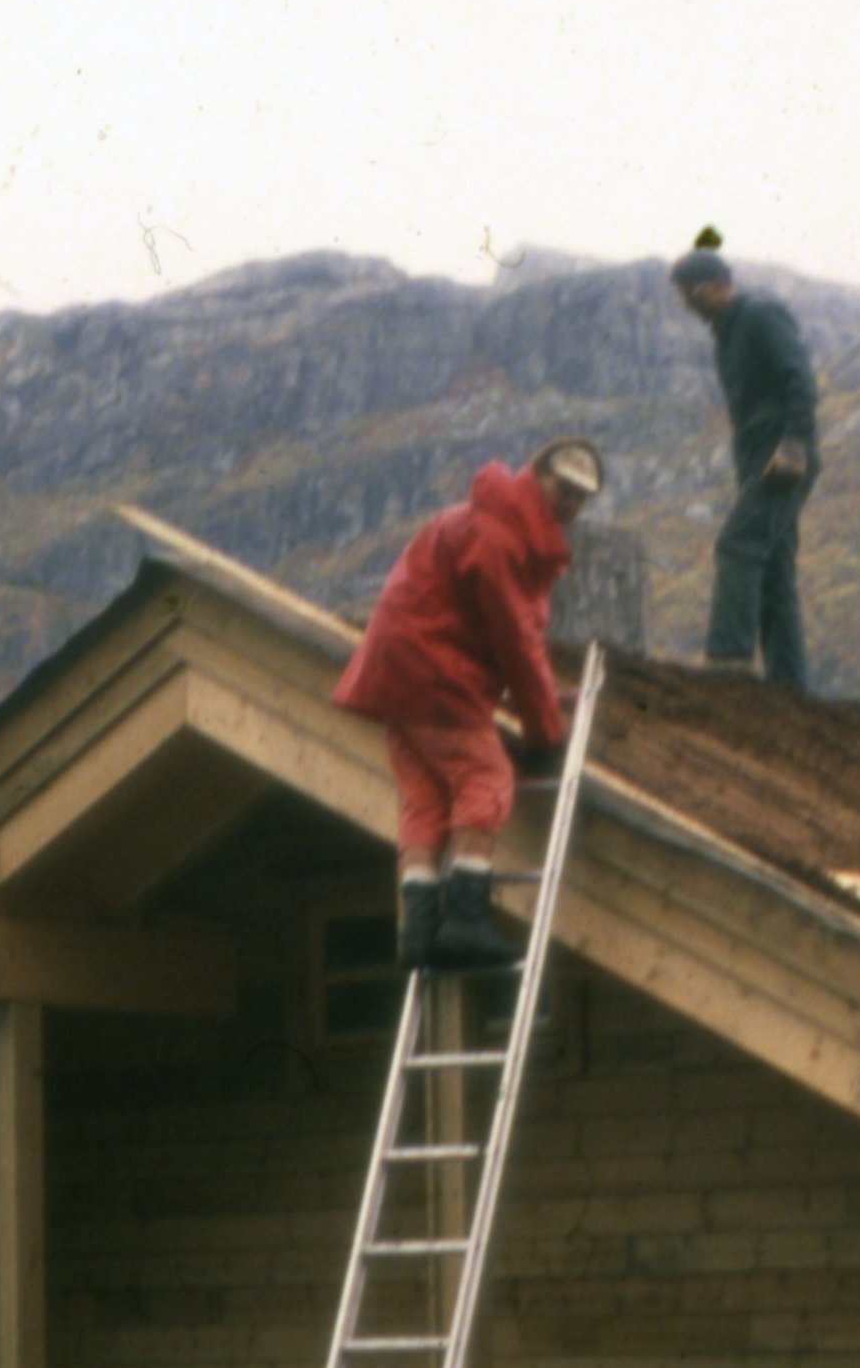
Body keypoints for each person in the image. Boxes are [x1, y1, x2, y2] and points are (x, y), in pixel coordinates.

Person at [335, 439, 606, 972]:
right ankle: (466, 922)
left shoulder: (490, 522)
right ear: (537, 475)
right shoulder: (499, 537)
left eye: (581, 496)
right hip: (433, 671)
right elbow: (517, 643)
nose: (571, 505)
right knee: (487, 777)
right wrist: (547, 731)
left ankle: (418, 933)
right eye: (563, 488)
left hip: (398, 673)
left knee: (427, 798)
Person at [670, 228, 819, 688]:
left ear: (717, 284)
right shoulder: (727, 335)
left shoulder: (758, 315)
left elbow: (799, 379)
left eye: (692, 294)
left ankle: (728, 660)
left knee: (738, 544)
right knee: (773, 570)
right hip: (759, 458)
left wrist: (794, 442)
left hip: (782, 454)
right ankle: (788, 686)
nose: (688, 305)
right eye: (682, 297)